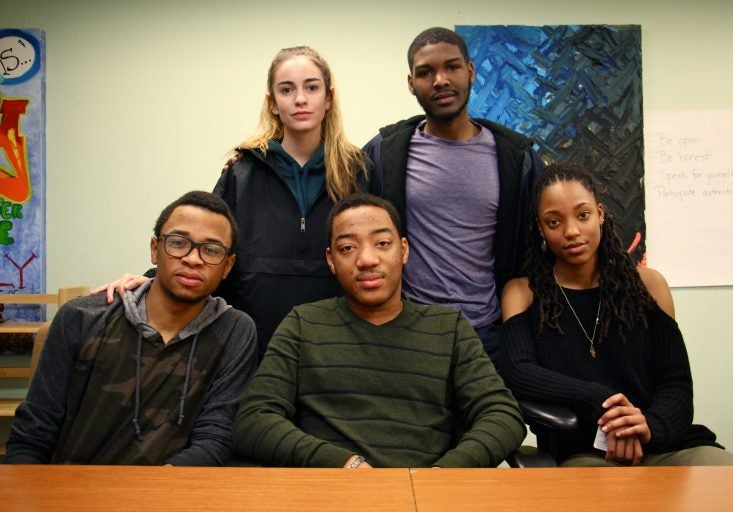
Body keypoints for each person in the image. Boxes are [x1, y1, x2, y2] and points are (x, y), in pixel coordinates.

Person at [94, 46, 369, 362]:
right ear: (272, 103)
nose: (301, 99)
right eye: (287, 89)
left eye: (311, 87)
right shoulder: (242, 172)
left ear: (329, 97)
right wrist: (154, 281)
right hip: (250, 344)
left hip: (336, 342)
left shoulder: (358, 172)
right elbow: (208, 244)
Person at [233, 193, 525, 468]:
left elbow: (503, 415)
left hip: (424, 498)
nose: (367, 260)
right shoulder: (303, 323)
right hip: (329, 493)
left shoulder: (449, 328)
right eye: (348, 248)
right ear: (331, 260)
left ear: (404, 250)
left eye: (382, 243)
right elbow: (255, 419)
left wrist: (444, 475)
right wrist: (343, 465)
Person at [498, 163, 733, 466]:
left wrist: (646, 428)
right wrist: (601, 401)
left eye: (583, 215)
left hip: (664, 444)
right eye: (554, 222)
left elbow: (675, 382)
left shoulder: (650, 285)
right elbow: (518, 371)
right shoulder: (522, 293)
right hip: (586, 452)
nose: (572, 231)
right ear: (540, 228)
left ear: (600, 214)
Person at [5, 191, 258, 465]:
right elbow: (33, 434)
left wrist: (151, 495)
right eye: (178, 242)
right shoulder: (83, 317)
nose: (193, 259)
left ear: (227, 266)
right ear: (154, 249)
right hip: (73, 490)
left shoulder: (234, 331)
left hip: (170, 493)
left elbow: (215, 440)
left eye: (211, 250)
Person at [363, 27, 543, 367]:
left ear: (471, 71)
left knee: (491, 421)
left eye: (452, 67)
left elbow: (540, 248)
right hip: (406, 332)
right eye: (426, 72)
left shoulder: (516, 158)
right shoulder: (384, 152)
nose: (440, 80)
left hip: (489, 335)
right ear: (411, 83)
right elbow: (333, 187)